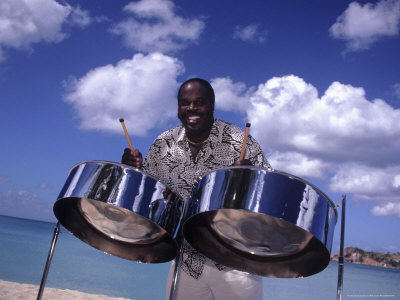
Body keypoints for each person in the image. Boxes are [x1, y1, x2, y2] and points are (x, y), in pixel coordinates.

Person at [122, 78, 271, 300]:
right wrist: (133, 170)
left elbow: (268, 192)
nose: (191, 108)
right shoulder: (164, 144)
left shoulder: (240, 141)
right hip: (186, 262)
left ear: (212, 105)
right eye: (185, 103)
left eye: (199, 102)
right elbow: (150, 193)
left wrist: (252, 177)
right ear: (178, 108)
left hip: (235, 264)